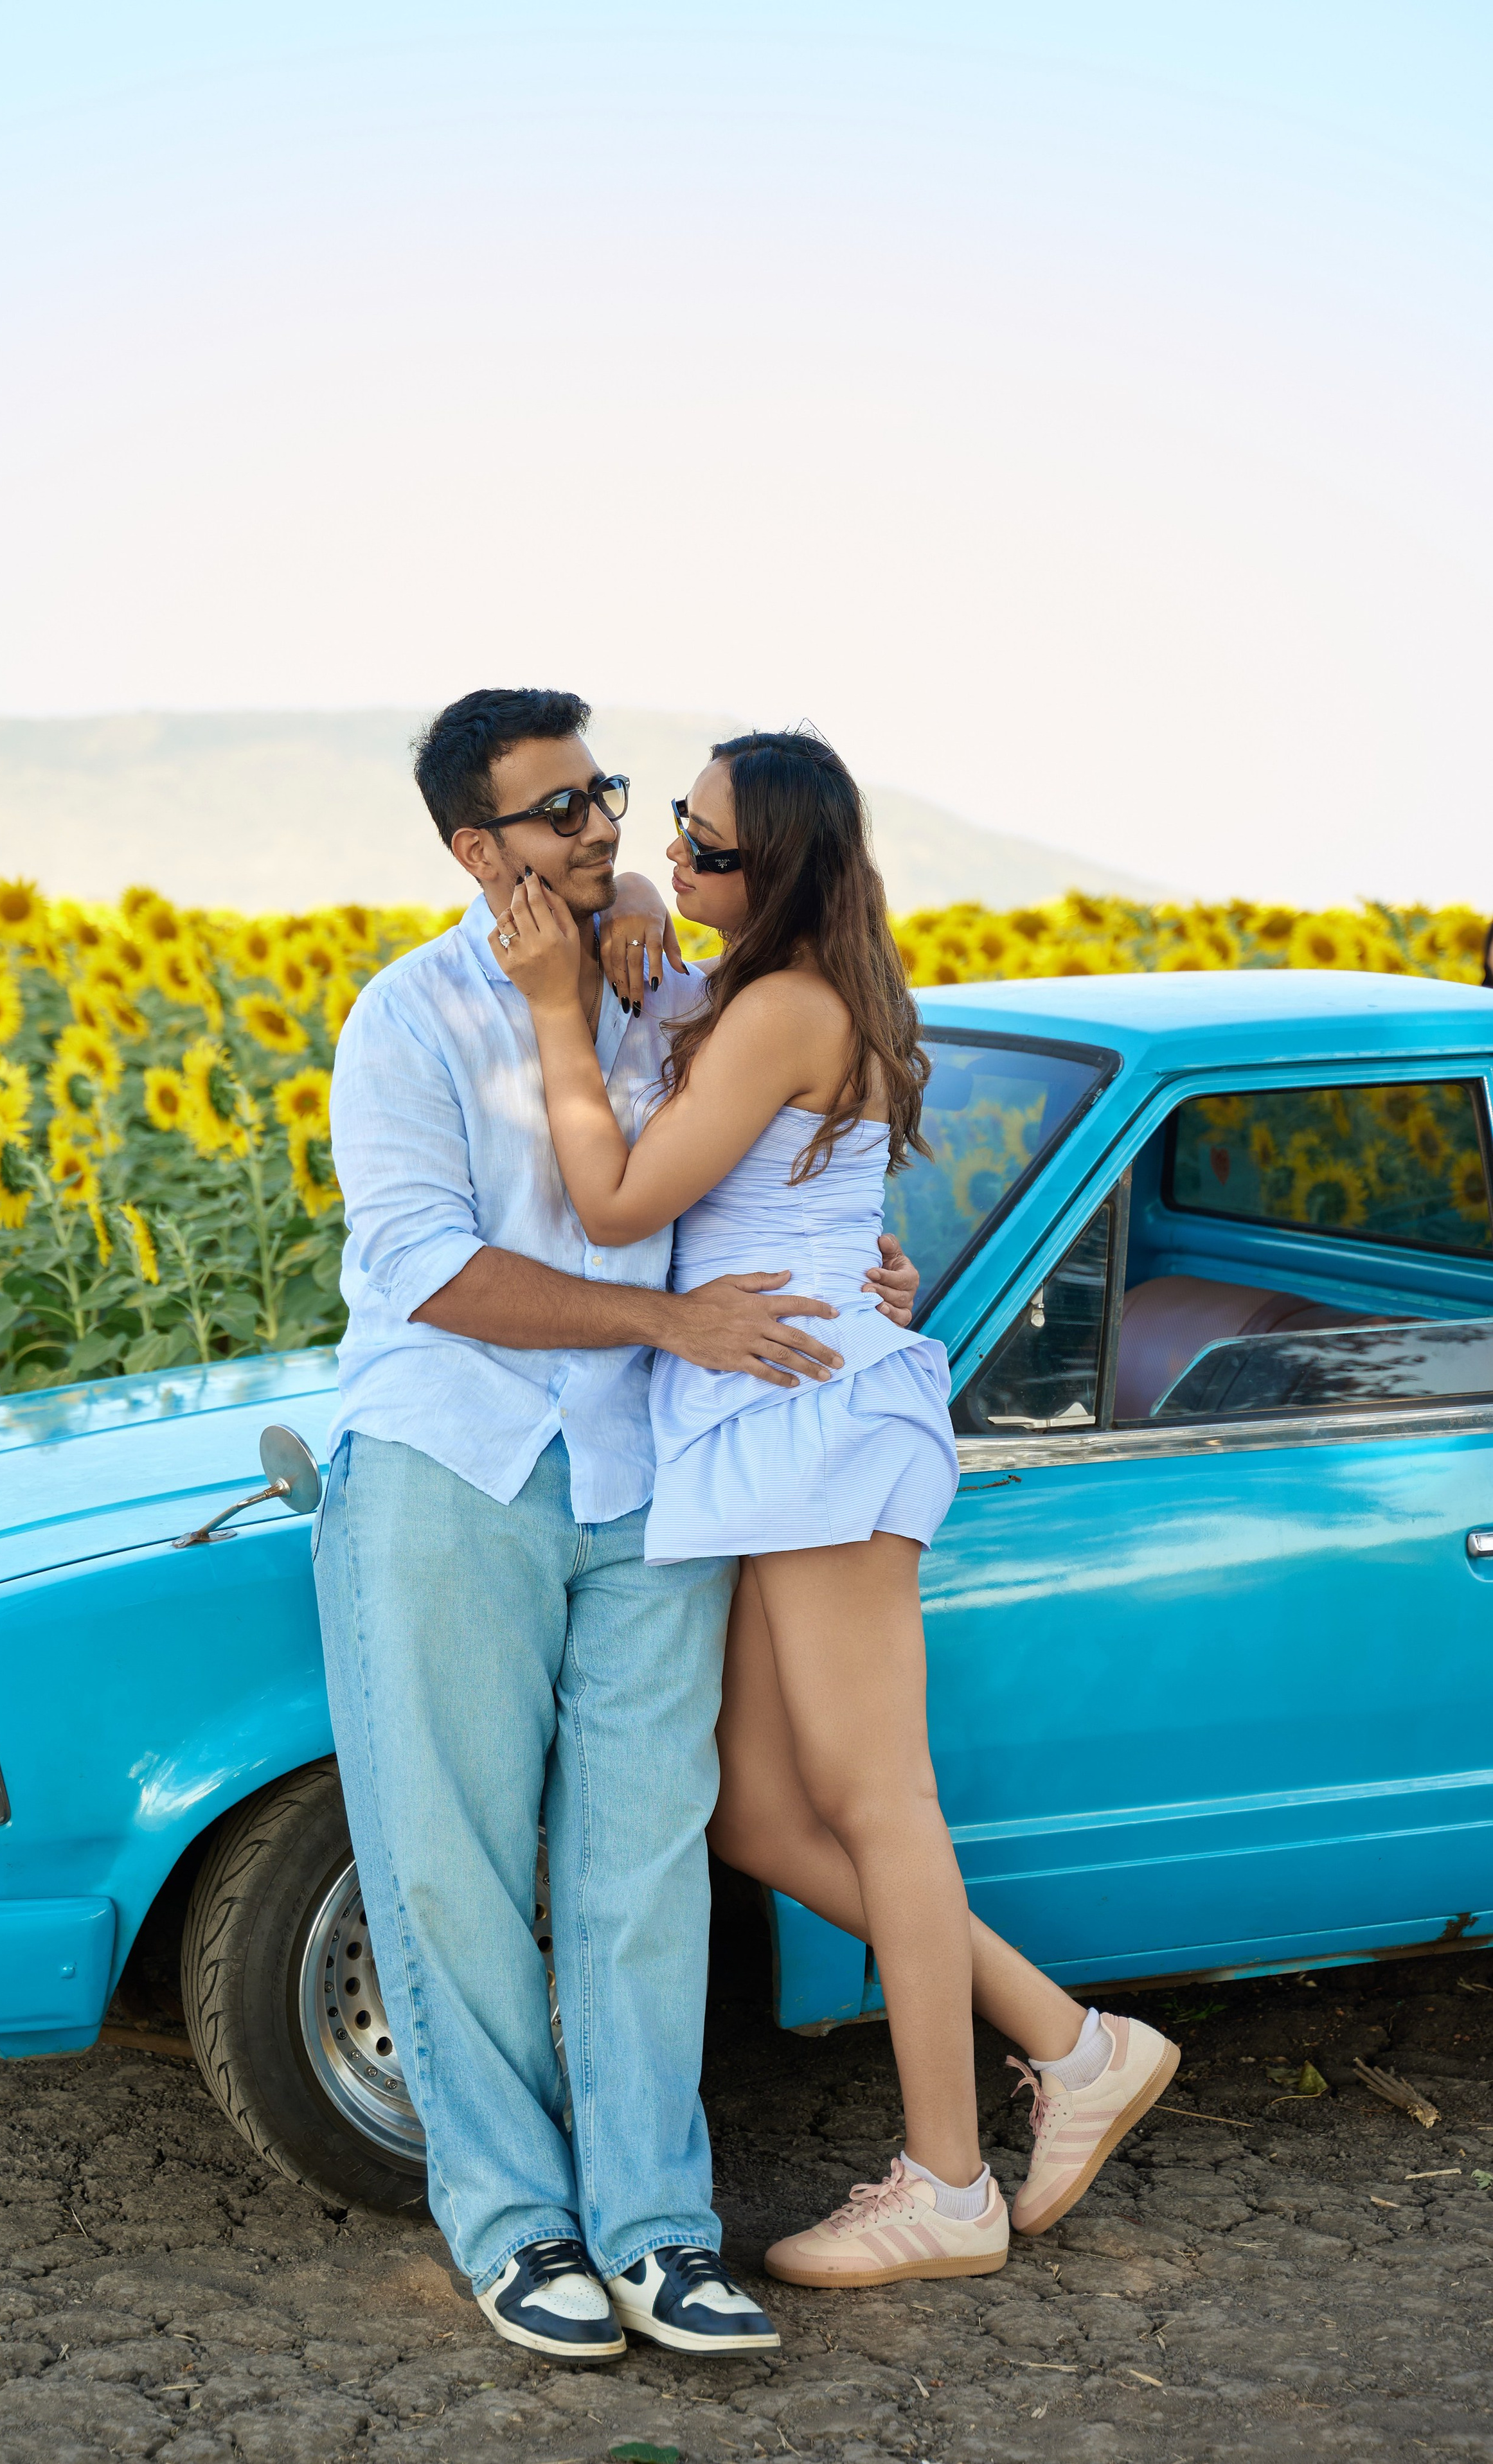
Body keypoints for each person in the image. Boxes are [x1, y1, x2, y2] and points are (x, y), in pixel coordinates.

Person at [499, 726, 1181, 2289]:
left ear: (780, 870)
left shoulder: (789, 1004)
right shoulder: (762, 989)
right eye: (679, 823)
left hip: (803, 1413)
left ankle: (947, 2179)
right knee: (747, 1803)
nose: (677, 853)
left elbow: (615, 1200)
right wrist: (624, 957)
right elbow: (809, 1198)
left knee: (881, 1802)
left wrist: (553, 1015)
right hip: (768, 1407)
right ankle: (1066, 2043)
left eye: (711, 847)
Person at [314, 688, 918, 2364]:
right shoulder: (409, 1018)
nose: (598, 832)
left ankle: (659, 2227)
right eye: (556, 810)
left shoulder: (679, 995)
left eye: (607, 798)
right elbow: (432, 1270)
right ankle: (514, 2221)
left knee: (644, 1863)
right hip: (457, 1470)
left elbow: (770, 1178)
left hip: (663, 1481)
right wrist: (672, 1325)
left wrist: (863, 1272)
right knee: (448, 1865)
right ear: (471, 848)